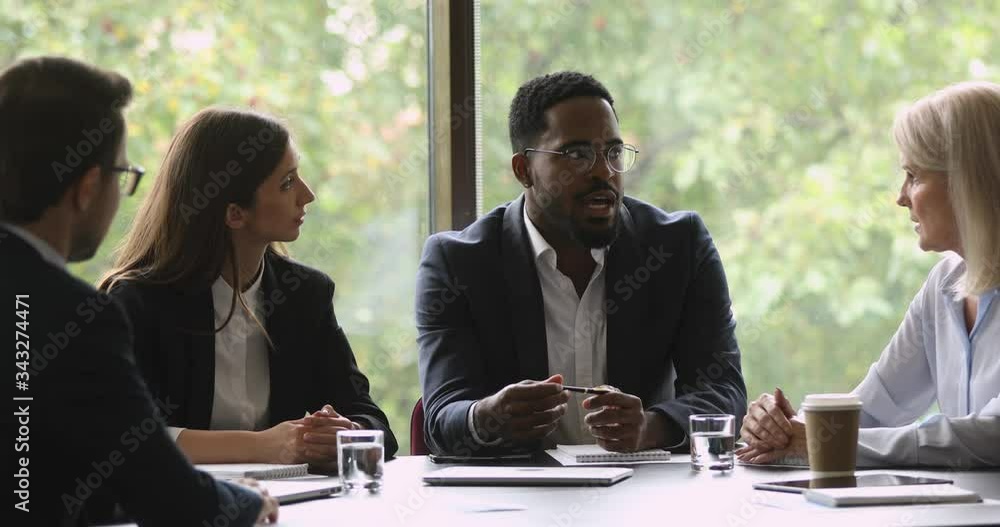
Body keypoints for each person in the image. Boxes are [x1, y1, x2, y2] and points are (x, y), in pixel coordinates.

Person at [0, 57, 277, 525]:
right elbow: (165, 495)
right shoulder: (74, 314)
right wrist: (247, 503)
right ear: (88, 186)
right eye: (122, 174)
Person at [416, 71, 746, 456]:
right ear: (524, 170)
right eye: (577, 154)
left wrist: (650, 428)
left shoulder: (677, 247)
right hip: (517, 501)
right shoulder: (458, 263)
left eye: (612, 152)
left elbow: (724, 392)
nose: (603, 172)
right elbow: (440, 418)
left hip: (644, 497)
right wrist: (487, 415)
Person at [99, 107, 398, 469]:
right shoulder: (139, 301)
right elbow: (120, 436)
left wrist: (343, 432)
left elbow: (373, 421)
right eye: (287, 183)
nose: (307, 195)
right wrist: (263, 446)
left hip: (287, 507)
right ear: (235, 214)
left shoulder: (306, 294)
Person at [738, 81, 1000, 468]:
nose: (901, 196)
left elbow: (991, 435)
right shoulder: (943, 286)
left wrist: (815, 442)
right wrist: (785, 429)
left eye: (914, 175)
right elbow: (875, 409)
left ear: (966, 182)